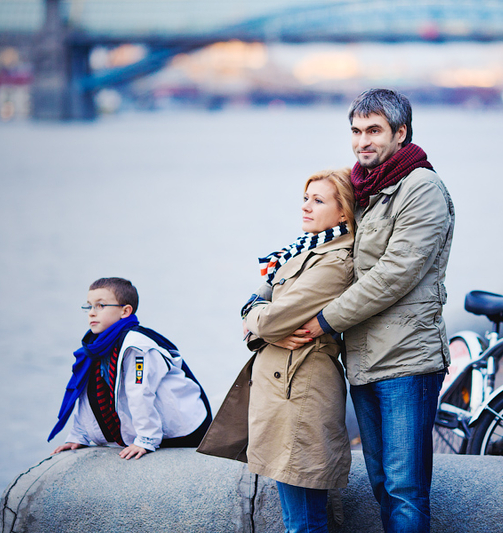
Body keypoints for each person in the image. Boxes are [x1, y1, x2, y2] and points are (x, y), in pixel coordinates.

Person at [295, 88, 455, 532]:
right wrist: (270, 295)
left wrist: (323, 320)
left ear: (400, 133)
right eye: (356, 131)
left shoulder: (420, 188)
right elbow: (328, 250)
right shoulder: (366, 189)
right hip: (365, 358)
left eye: (374, 131)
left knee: (405, 489)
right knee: (382, 483)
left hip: (407, 360)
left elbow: (394, 275)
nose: (362, 141)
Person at [199, 168, 356, 533]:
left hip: (298, 392)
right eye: (305, 198)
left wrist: (260, 321)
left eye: (318, 201)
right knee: (298, 519)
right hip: (283, 389)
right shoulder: (304, 250)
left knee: (303, 523)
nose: (306, 207)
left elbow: (269, 319)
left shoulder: (335, 262)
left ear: (343, 212)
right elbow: (261, 311)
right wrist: (264, 323)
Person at [48, 277, 212, 460]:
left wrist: (146, 439)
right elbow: (88, 394)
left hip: (182, 430)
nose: (92, 313)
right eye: (89, 306)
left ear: (125, 311)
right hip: (151, 427)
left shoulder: (137, 345)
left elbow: (140, 391)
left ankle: (147, 435)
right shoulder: (95, 346)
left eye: (100, 306)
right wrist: (80, 436)